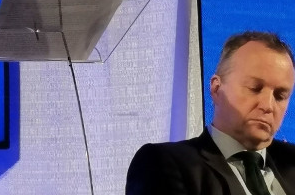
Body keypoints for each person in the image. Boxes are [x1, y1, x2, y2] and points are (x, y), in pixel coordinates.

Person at [126, 31, 295, 195]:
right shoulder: (165, 163)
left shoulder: (291, 162)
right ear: (216, 89)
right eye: (254, 88)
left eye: (280, 96)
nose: (268, 106)